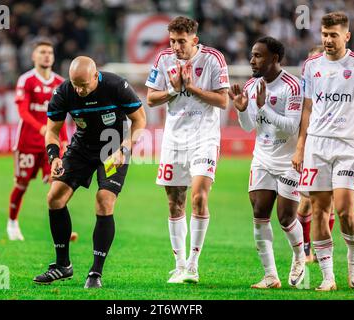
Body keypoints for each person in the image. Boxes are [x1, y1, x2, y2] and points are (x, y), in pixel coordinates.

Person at [33, 56, 146, 288]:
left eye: (84, 85)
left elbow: (140, 121)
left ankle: (95, 272)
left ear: (96, 76)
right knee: (54, 198)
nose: (79, 90)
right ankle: (63, 265)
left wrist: (125, 148)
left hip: (113, 147)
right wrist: (53, 157)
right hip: (81, 147)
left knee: (104, 200)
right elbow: (52, 131)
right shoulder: (64, 92)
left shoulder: (116, 86)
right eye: (75, 84)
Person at [293, 12, 354, 291]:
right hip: (317, 146)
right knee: (318, 210)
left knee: (343, 210)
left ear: (347, 36)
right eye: (324, 34)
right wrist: (300, 146)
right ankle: (328, 277)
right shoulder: (311, 66)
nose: (328, 40)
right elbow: (307, 108)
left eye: (333, 35)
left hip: (347, 146)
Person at [145, 16, 229, 284]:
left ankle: (193, 264)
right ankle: (179, 264)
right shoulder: (163, 59)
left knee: (199, 198)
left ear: (194, 39)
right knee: (174, 202)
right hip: (174, 139)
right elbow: (151, 98)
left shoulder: (213, 59)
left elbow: (223, 101)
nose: (176, 47)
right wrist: (174, 88)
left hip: (204, 137)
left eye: (181, 41)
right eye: (172, 41)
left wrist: (191, 88)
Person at [229, 37, 306, 289]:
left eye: (258, 56)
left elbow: (292, 125)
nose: (252, 60)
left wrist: (263, 108)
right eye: (252, 55)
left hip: (288, 161)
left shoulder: (292, 86)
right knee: (259, 213)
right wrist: (242, 109)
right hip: (262, 157)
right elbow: (250, 126)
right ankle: (271, 276)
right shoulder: (251, 86)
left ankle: (299, 256)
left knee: (285, 218)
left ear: (274, 58)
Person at [7, 38, 68, 241]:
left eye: (49, 52)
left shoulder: (60, 83)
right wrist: (41, 128)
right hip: (28, 141)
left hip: (51, 144)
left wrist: (65, 139)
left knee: (56, 183)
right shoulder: (26, 80)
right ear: (33, 56)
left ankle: (60, 230)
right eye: (42, 52)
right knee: (22, 184)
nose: (46, 55)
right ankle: (13, 222)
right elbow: (23, 111)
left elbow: (63, 116)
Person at [295, 45, 336, 263]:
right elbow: (303, 111)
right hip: (308, 142)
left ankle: (322, 249)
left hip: (331, 143)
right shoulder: (305, 84)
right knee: (305, 200)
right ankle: (306, 247)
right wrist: (299, 146)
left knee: (328, 203)